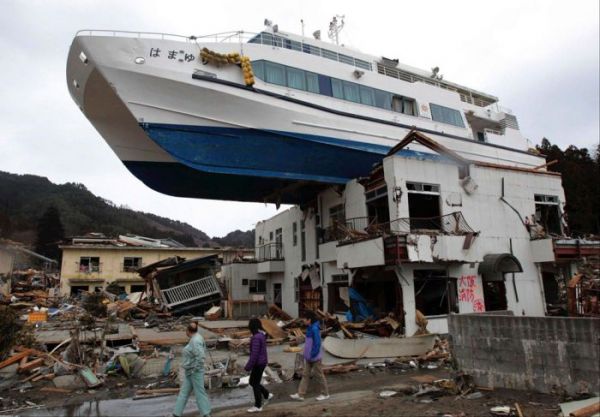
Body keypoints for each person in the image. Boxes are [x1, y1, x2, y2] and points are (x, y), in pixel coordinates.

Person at [172, 322, 211, 417]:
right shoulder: (196, 338)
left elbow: (201, 357)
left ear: (188, 331)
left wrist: (195, 369)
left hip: (194, 372)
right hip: (190, 371)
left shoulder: (195, 341)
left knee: (199, 394)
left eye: (186, 330)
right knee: (184, 393)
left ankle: (206, 414)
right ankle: (176, 413)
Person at [290, 310, 330, 401]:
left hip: (315, 357)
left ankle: (325, 394)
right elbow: (308, 342)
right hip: (309, 357)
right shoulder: (310, 327)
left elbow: (317, 344)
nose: (303, 320)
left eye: (304, 319)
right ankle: (301, 394)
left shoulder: (315, 329)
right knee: (305, 375)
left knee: (319, 375)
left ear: (309, 319)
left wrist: (312, 354)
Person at [244, 317, 273, 413]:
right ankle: (267, 394)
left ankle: (258, 405)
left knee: (254, 383)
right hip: (262, 362)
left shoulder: (256, 338)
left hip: (258, 363)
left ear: (251, 327)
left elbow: (254, 355)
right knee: (253, 382)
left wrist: (248, 366)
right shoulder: (261, 335)